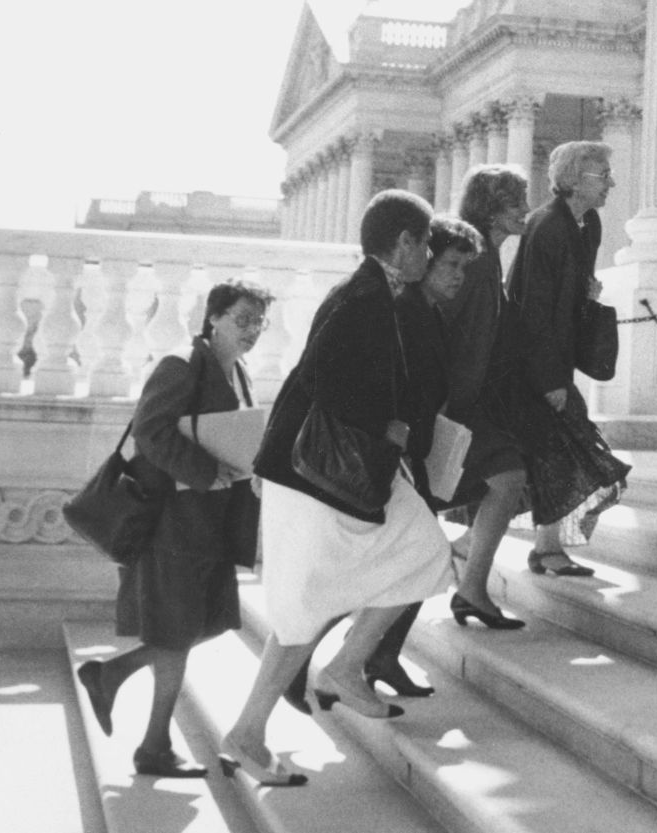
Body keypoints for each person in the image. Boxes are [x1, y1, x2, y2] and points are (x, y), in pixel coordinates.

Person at [221, 189, 451, 787]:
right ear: (404, 243)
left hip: (319, 473)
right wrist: (390, 427)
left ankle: (342, 669)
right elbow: (324, 378)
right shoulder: (367, 299)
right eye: (425, 242)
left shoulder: (370, 292)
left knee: (418, 552)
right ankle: (258, 726)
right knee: (305, 611)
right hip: (316, 475)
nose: (428, 253)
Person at [75, 280, 272, 778]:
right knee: (180, 630)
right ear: (215, 317)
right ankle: (154, 744)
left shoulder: (239, 371)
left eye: (259, 322)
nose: (252, 331)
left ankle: (114, 679)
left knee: (198, 625)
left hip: (210, 526)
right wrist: (207, 473)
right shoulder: (181, 364)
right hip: (173, 525)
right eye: (243, 319)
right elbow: (151, 431)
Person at [505, 143, 631, 575]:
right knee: (559, 453)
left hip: (553, 363)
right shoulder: (548, 227)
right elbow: (534, 311)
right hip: (535, 367)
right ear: (574, 180)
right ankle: (529, 548)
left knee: (555, 455)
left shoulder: (586, 224)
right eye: (602, 176)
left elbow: (565, 297)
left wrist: (585, 294)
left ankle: (546, 547)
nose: (611, 183)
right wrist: (551, 380)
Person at [402, 213, 529, 630]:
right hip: (421, 435)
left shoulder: (429, 306)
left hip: (448, 421)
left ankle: (471, 586)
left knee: (508, 473)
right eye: (452, 266)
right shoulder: (408, 308)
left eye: (463, 267)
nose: (460, 276)